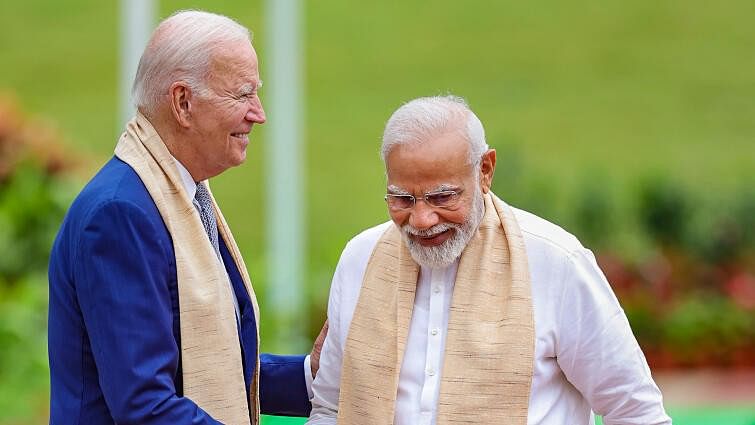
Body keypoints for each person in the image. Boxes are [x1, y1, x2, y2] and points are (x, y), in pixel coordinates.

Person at [307, 95, 671, 425]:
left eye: (442, 197)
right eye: (402, 199)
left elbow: (636, 411)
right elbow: (330, 410)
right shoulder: (360, 259)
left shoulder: (555, 261)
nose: (421, 219)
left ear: (485, 170)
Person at [48, 10, 324, 425]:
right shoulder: (121, 213)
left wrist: (309, 378)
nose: (259, 113)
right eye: (243, 94)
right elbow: (145, 405)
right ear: (182, 102)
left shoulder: (178, 192)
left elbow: (202, 361)